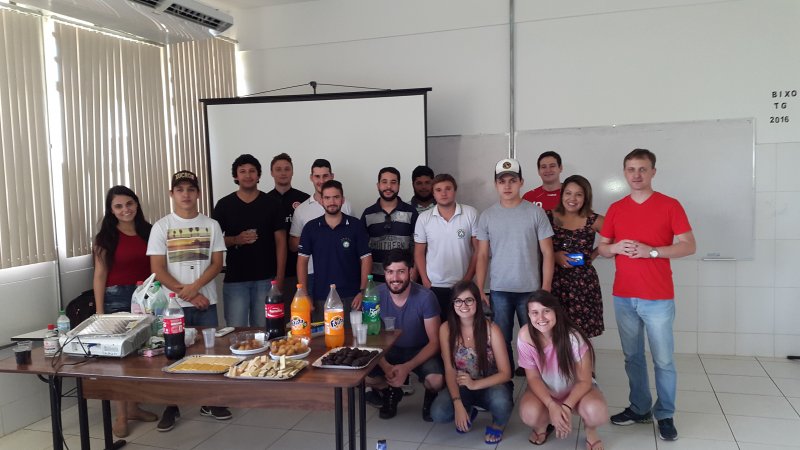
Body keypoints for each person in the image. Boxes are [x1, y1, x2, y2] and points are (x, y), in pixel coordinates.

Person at [598, 148, 695, 441]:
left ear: (653, 171)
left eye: (642, 169)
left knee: (663, 360)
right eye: (631, 169)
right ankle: (639, 408)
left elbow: (688, 245)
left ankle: (664, 414)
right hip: (623, 296)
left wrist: (651, 251)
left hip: (658, 297)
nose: (636, 174)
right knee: (632, 357)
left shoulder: (670, 205)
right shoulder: (616, 208)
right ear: (624, 173)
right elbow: (603, 247)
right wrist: (614, 248)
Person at [147, 170, 230, 431]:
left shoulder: (211, 225)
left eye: (191, 189)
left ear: (198, 194)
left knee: (209, 353)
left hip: (206, 301)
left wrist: (194, 289)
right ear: (172, 194)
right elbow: (158, 269)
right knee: (172, 355)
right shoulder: (161, 226)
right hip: (173, 306)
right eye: (180, 190)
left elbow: (217, 264)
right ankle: (172, 405)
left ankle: (209, 401)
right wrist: (189, 294)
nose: (186, 194)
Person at [476, 158, 554, 376]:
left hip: (530, 289)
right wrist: (479, 287)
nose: (507, 186)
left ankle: (538, 379)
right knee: (501, 337)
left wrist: (546, 287)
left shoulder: (536, 213)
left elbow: (548, 252)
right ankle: (506, 377)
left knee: (535, 336)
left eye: (512, 180)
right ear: (496, 184)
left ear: (521, 182)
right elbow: (482, 255)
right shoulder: (487, 216)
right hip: (500, 289)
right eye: (502, 181)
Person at [92, 186, 158, 437]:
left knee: (141, 356)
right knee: (119, 359)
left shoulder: (150, 231)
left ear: (136, 204)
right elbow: (99, 275)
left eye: (129, 204)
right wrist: (100, 312)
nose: (125, 210)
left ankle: (134, 407)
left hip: (147, 297)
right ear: (111, 210)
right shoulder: (105, 238)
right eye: (118, 206)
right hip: (116, 299)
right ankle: (121, 415)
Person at [518, 290, 608, 449]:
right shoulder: (525, 335)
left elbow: (584, 381)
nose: (541, 318)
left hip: (576, 390)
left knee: (597, 412)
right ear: (529, 315)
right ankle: (542, 426)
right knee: (529, 414)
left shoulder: (573, 337)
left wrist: (566, 407)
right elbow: (533, 378)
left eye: (546, 311)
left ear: (556, 312)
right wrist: (551, 405)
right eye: (535, 312)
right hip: (545, 390)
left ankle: (591, 431)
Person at [430, 281, 513, 445]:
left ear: (477, 302)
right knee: (438, 413)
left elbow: (506, 373)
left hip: (491, 385)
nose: (464, 305)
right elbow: (449, 369)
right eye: (458, 301)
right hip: (462, 386)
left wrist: (475, 384)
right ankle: (468, 409)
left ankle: (497, 424)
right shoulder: (446, 329)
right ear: (453, 304)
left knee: (502, 403)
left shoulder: (492, 329)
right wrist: (457, 403)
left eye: (469, 300)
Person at [366, 249, 444, 421]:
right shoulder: (374, 295)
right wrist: (386, 367)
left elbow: (435, 342)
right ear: (384, 273)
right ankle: (391, 391)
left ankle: (430, 397)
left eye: (401, 271)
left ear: (410, 271)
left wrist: (407, 367)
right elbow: (371, 337)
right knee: (363, 377)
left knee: (436, 380)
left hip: (420, 350)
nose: (395, 278)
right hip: (388, 349)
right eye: (390, 272)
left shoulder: (426, 297)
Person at [212, 154, 286, 327]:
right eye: (242, 171)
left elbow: (281, 242)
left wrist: (280, 277)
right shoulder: (224, 205)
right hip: (235, 279)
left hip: (266, 279)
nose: (248, 175)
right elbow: (213, 242)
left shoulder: (272, 203)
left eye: (252, 171)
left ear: (259, 175)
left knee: (265, 330)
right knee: (235, 330)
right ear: (235, 176)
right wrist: (235, 239)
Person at [289, 158, 352, 316]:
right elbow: (292, 245)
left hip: (342, 272)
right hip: (311, 274)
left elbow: (351, 235)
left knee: (342, 320)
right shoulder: (301, 210)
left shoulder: (346, 205)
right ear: (311, 178)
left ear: (332, 176)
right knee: (317, 320)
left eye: (325, 176)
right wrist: (318, 238)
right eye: (317, 176)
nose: (321, 180)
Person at [297, 180, 371, 314]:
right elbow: (302, 262)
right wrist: (304, 294)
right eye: (327, 198)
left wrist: (362, 291)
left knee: (353, 329)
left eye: (336, 197)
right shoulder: (310, 228)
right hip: (321, 296)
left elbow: (366, 259)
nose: (332, 202)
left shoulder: (356, 225)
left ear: (342, 200)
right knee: (322, 329)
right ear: (321, 201)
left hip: (353, 296)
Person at [414, 173, 479, 321]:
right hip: (434, 285)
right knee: (437, 329)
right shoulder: (424, 218)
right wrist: (425, 280)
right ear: (433, 193)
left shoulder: (471, 213)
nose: (443, 193)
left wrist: (467, 279)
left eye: (448, 189)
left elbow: (478, 250)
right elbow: (419, 252)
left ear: (455, 190)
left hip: (462, 285)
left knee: (463, 327)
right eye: (438, 190)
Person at [548, 175, 605, 338]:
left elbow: (616, 239)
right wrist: (554, 256)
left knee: (581, 337)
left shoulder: (594, 220)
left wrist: (593, 255)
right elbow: (533, 246)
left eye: (578, 194)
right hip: (554, 281)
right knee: (555, 334)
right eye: (568, 193)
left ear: (586, 197)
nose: (572, 199)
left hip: (583, 284)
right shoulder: (547, 216)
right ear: (562, 195)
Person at [265, 152, 310, 308]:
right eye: (278, 169)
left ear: (292, 171)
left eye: (287, 169)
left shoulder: (305, 200)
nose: (283, 173)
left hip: (299, 271)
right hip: (270, 271)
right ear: (271, 173)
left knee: (299, 315)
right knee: (273, 316)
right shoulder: (264, 201)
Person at [361, 167, 419, 281]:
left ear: (399, 185)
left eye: (393, 182)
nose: (388, 186)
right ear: (378, 185)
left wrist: (415, 270)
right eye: (384, 182)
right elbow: (361, 249)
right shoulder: (368, 214)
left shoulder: (411, 212)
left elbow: (418, 245)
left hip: (403, 279)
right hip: (375, 280)